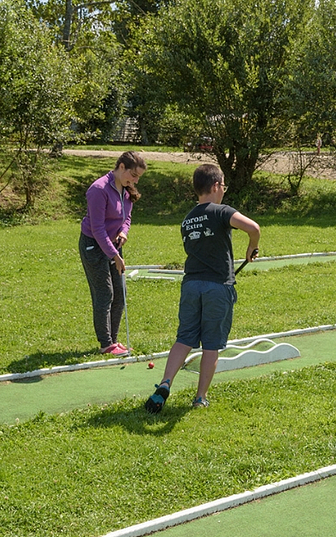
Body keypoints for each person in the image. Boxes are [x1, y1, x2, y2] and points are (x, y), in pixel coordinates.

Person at [144, 164, 260, 413]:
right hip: (217, 287)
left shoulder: (187, 219)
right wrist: (252, 247)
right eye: (223, 186)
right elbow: (253, 227)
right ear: (216, 185)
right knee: (211, 344)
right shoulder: (221, 211)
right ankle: (200, 397)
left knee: (184, 338)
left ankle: (165, 383)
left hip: (191, 285)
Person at [79, 151, 146, 355]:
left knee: (120, 293)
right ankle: (106, 344)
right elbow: (98, 228)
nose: (134, 180)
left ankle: (115, 341)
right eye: (133, 175)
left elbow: (126, 218)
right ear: (121, 167)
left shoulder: (126, 191)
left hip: (114, 245)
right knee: (104, 293)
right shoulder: (98, 190)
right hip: (93, 246)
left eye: (138, 177)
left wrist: (124, 232)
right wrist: (114, 255)